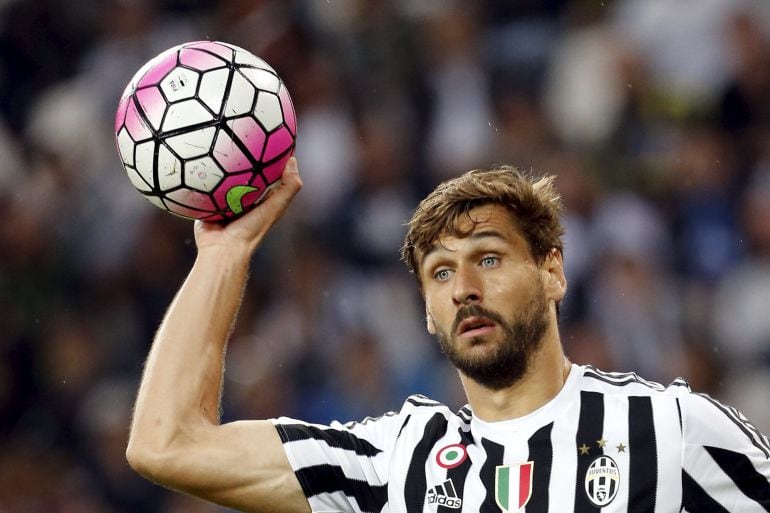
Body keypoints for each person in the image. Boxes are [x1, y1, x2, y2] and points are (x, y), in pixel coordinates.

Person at [126, 157, 770, 512]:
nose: (463, 286)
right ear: (428, 313)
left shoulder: (671, 429)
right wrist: (222, 257)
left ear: (552, 272)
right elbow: (168, 443)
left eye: (488, 258)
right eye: (439, 273)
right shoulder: (392, 461)